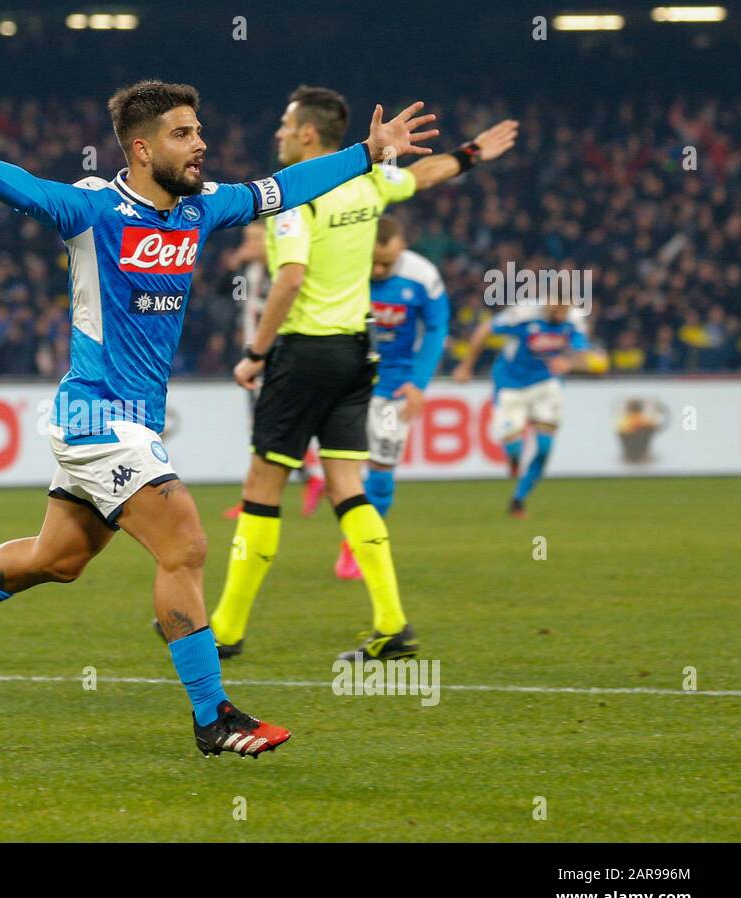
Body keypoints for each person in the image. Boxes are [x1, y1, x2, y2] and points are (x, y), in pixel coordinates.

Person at [0, 80, 436, 757]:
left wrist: (366, 153)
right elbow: (31, 191)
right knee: (186, 543)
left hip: (132, 421)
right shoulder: (94, 208)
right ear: (143, 149)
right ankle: (215, 718)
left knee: (56, 560)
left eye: (199, 131)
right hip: (95, 414)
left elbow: (284, 188)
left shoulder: (199, 208)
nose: (201, 143)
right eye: (184, 133)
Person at [206, 85, 515, 661]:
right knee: (348, 486)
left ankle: (224, 629)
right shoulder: (367, 181)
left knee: (261, 489)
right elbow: (421, 178)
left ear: (306, 134)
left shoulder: (294, 197)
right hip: (355, 354)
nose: (276, 133)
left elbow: (291, 278)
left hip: (302, 354)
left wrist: (255, 352)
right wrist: (472, 154)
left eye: (283, 123)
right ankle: (392, 625)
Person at [333, 216, 450, 579]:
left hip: (394, 388)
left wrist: (419, 383)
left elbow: (436, 328)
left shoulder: (423, 277)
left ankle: (355, 547)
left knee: (381, 471)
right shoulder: (343, 265)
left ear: (402, 248)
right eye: (374, 262)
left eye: (388, 262)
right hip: (348, 382)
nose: (380, 269)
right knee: (340, 467)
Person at [454, 303, 607, 517]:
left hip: (546, 384)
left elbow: (581, 352)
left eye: (564, 308)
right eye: (555, 306)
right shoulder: (523, 314)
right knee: (515, 448)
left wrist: (571, 362)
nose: (559, 312)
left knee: (544, 448)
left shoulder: (575, 320)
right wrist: (466, 365)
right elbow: (485, 329)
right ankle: (514, 460)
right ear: (547, 301)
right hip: (511, 383)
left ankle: (518, 499)